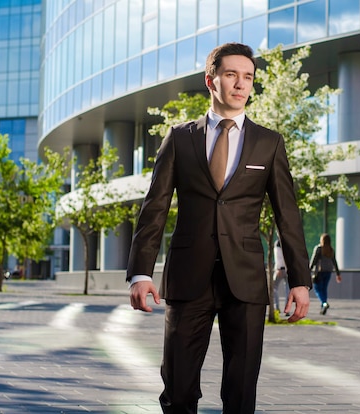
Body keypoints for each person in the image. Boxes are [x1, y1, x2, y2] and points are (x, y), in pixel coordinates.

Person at [126, 42, 312, 414]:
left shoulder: (269, 143)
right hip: (187, 278)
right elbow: (155, 207)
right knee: (178, 390)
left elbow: (286, 215)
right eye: (232, 75)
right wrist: (140, 273)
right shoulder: (179, 138)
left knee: (241, 393)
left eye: (248, 77)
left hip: (244, 282)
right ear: (210, 80)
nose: (241, 85)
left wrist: (299, 280)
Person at [309, 233, 341, 315]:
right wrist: (338, 274)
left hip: (320, 271)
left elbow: (314, 260)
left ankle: (324, 303)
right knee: (324, 289)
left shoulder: (319, 248)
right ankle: (323, 306)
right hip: (328, 271)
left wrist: (308, 270)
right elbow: (334, 262)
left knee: (317, 289)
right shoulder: (331, 250)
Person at [273, 239, 290, 316]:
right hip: (287, 269)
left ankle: (277, 308)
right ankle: (287, 309)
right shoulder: (288, 243)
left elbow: (278, 257)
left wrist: (279, 268)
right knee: (287, 289)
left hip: (280, 269)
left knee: (274, 287)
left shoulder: (278, 244)